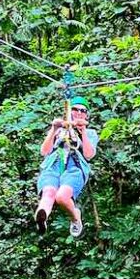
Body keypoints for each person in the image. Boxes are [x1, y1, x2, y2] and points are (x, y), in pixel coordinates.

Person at [35, 97, 98, 238]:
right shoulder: (58, 131)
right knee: (48, 193)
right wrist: (54, 128)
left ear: (86, 115)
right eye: (75, 109)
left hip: (74, 166)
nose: (78, 113)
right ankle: (42, 216)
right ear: (69, 112)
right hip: (54, 164)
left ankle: (75, 217)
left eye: (83, 111)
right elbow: (44, 152)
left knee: (62, 197)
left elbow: (89, 155)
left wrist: (83, 132)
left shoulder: (91, 133)